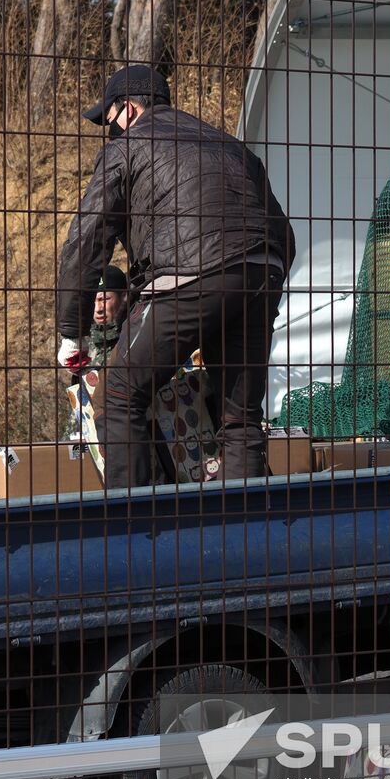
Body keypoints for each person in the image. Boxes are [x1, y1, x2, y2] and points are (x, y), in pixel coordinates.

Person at [56, 65, 295, 488]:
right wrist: (264, 291)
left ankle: (138, 536)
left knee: (117, 398)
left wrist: (72, 333)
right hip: (262, 272)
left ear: (128, 109)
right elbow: (284, 235)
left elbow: (87, 237)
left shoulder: (127, 148)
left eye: (108, 120)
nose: (109, 131)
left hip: (189, 275)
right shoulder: (232, 146)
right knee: (240, 419)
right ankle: (249, 539)